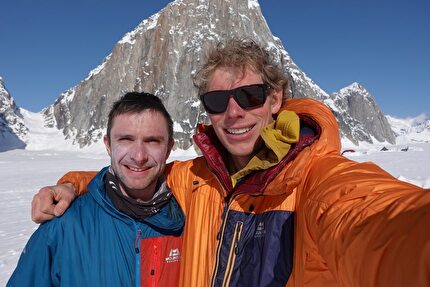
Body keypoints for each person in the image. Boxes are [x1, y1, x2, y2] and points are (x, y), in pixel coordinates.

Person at [32, 39, 430, 287]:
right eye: (218, 102)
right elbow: (136, 173)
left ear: (275, 100)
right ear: (207, 113)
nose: (234, 112)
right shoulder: (194, 179)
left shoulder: (317, 178)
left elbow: (375, 220)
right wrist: (72, 185)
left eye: (250, 95)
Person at [8, 92, 184, 286]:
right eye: (126, 139)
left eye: (152, 141)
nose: (139, 156)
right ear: (108, 145)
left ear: (168, 149)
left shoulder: (191, 221)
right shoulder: (63, 227)